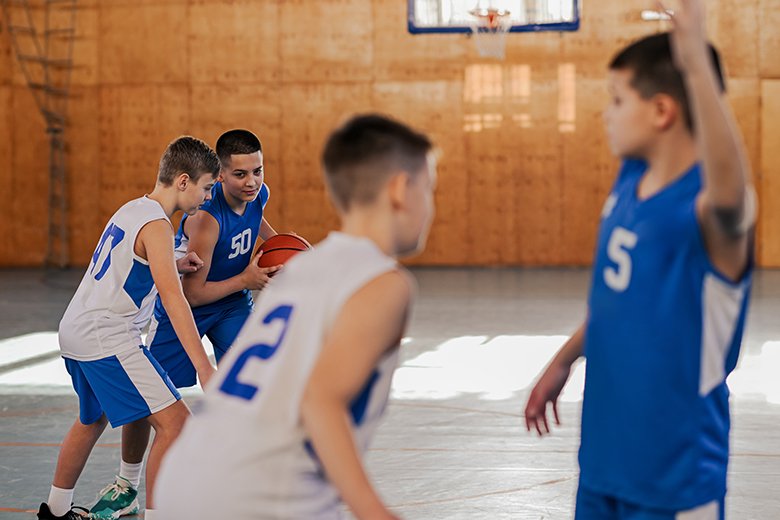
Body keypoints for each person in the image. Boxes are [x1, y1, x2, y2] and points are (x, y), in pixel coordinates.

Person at [524, 1, 755, 519]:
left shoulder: (711, 211)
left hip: (673, 480)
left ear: (661, 110)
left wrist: (694, 56)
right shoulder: (630, 179)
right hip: (604, 464)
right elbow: (617, 301)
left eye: (616, 99)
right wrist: (565, 358)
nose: (606, 112)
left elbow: (732, 193)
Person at [155, 114, 436, 519]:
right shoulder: (382, 283)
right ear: (399, 189)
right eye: (429, 189)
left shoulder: (299, 270)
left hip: (185, 478)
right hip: (256, 495)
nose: (430, 205)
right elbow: (321, 404)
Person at [89, 129, 281, 519]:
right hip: (186, 308)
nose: (252, 182)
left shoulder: (258, 195)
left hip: (232, 306)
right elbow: (191, 295)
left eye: (257, 171)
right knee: (150, 401)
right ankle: (127, 484)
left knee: (252, 382)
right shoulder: (205, 221)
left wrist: (285, 251)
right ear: (220, 177)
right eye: (240, 175)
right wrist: (247, 280)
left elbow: (261, 227)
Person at [37, 136, 220, 520]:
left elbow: (130, 259)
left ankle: (54, 511)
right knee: (176, 423)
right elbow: (174, 300)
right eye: (206, 187)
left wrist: (173, 260)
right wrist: (204, 366)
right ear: (183, 181)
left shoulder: (134, 209)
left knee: (92, 419)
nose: (207, 197)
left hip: (76, 329)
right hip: (106, 336)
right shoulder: (158, 227)